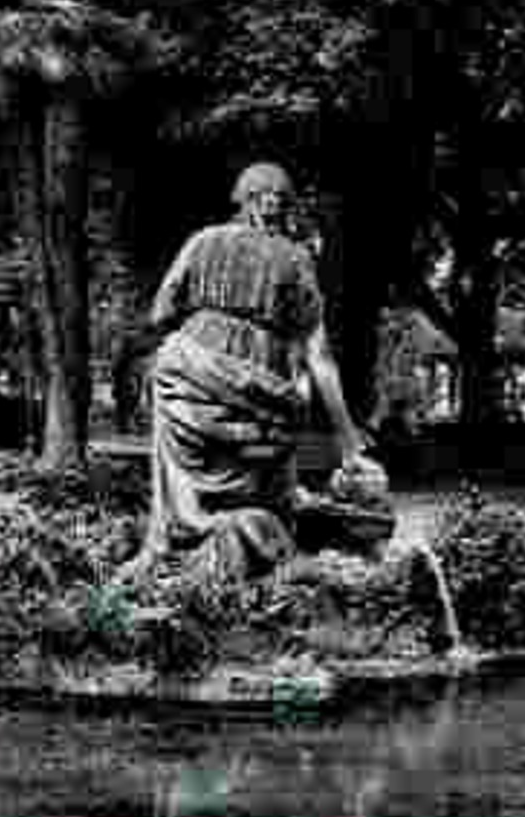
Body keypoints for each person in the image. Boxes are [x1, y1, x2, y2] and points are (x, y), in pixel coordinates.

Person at [135, 161, 380, 588]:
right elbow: (318, 355)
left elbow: (160, 311)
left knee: (185, 479)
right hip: (263, 387)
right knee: (268, 483)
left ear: (242, 199)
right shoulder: (295, 258)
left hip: (190, 372)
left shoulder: (202, 241)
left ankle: (179, 552)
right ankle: (264, 567)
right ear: (284, 207)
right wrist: (347, 439)